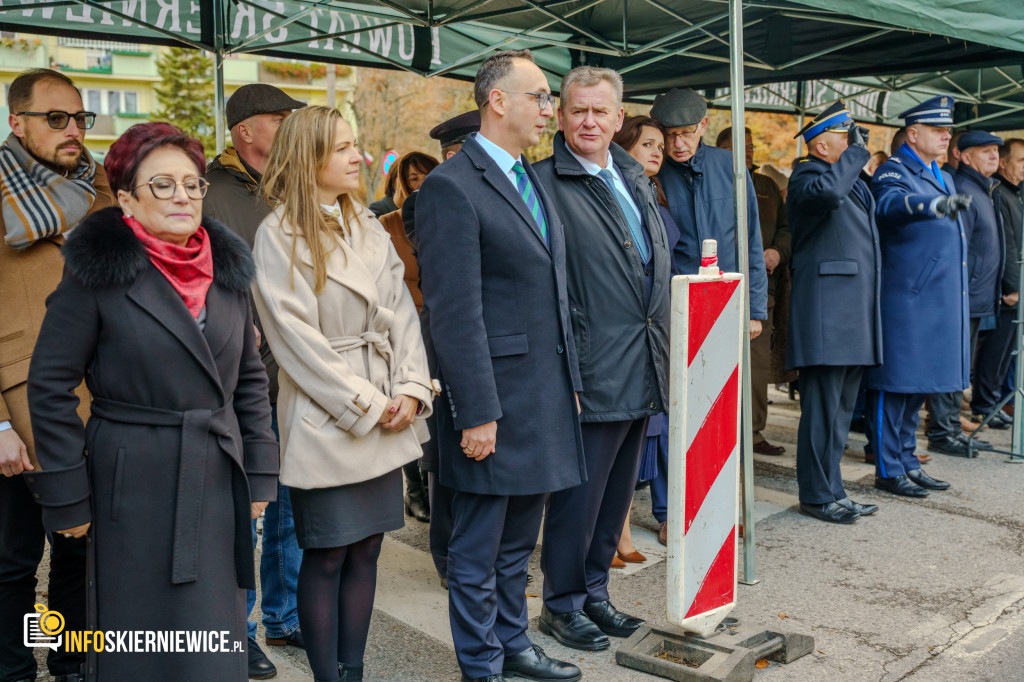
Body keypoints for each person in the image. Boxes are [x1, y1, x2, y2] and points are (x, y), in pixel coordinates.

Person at [26, 121, 279, 680]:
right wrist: (67, 496)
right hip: (128, 481)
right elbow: (49, 385)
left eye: (192, 183)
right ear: (125, 199)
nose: (183, 195)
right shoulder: (95, 274)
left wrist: (260, 473)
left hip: (214, 477)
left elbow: (250, 379)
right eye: (162, 185)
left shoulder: (229, 271)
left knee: (210, 641)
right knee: (135, 644)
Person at [416, 49, 585, 682]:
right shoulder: (450, 188)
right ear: (498, 101)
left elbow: (553, 290)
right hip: (494, 400)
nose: (549, 108)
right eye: (539, 96)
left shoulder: (530, 177)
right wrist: (478, 410)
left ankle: (514, 644)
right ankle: (481, 663)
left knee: (518, 542)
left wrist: (568, 385)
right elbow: (455, 314)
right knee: (478, 546)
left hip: (541, 391)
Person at [252, 105, 434, 682]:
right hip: (328, 414)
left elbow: (401, 310)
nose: (358, 156)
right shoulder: (276, 234)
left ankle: (352, 671)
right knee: (326, 554)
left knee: (367, 551)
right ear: (309, 159)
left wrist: (408, 388)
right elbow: (296, 342)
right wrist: (368, 403)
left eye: (354, 145)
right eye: (342, 148)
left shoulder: (364, 224)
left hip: (385, 402)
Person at [533, 66, 670, 651]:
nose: (589, 121)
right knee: (577, 500)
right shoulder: (543, 184)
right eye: (577, 110)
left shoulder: (632, 176)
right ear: (561, 118)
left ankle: (594, 595)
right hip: (590, 368)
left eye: (600, 111)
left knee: (616, 498)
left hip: (641, 362)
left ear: (620, 118)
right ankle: (561, 605)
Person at [0, 67, 114, 682]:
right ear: (16, 122)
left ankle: (71, 667)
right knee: (12, 561)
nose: (73, 131)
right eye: (56, 119)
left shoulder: (103, 196)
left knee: (82, 550)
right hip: (15, 410)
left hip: (98, 402)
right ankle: (14, 671)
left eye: (79, 118)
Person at [204, 81, 307, 680]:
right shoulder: (210, 192)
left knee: (293, 500)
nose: (291, 124)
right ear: (246, 130)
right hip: (238, 378)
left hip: (296, 373)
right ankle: (234, 630)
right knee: (246, 511)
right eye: (280, 117)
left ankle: (285, 614)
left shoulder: (294, 186)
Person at [649, 87, 767, 545]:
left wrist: (755, 308)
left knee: (720, 409)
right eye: (670, 135)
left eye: (686, 134)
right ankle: (668, 509)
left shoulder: (729, 167)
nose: (678, 145)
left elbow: (751, 241)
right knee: (674, 410)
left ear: (703, 126)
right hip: (672, 308)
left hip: (726, 304)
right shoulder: (653, 171)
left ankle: (717, 502)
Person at [786, 101, 882, 524]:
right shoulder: (807, 176)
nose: (855, 144)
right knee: (822, 411)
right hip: (827, 316)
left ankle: (834, 490)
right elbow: (828, 193)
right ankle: (816, 494)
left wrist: (855, 161)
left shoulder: (850, 181)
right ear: (821, 146)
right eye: (846, 138)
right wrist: (858, 157)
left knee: (841, 411)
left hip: (851, 314)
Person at [867, 96, 968, 497]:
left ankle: (907, 459)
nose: (946, 136)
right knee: (895, 387)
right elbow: (890, 205)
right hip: (907, 300)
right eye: (937, 130)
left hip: (935, 301)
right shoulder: (895, 170)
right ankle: (888, 468)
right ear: (913, 134)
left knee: (918, 387)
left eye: (947, 130)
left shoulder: (941, 173)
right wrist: (931, 203)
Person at [413, 110, 481, 589]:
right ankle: (446, 556)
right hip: (443, 339)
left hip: (474, 341)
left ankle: (468, 555)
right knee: (445, 459)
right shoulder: (432, 198)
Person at [611, 114, 680, 565]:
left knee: (656, 426)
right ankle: (614, 533)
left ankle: (649, 518)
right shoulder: (618, 193)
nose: (658, 151)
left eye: (661, 144)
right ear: (625, 148)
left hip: (661, 324)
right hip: (627, 325)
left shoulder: (656, 195)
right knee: (622, 434)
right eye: (648, 144)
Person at [718, 125, 792, 456]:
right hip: (718, 289)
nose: (748, 151)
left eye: (750, 146)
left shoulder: (766, 186)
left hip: (762, 292)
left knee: (756, 365)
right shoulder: (714, 181)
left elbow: (787, 231)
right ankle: (718, 432)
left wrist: (777, 250)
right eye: (739, 146)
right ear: (721, 149)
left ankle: (753, 432)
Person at [379, 151, 440, 524]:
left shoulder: (444, 218)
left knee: (431, 410)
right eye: (414, 178)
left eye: (428, 176)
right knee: (408, 404)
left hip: (435, 326)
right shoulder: (386, 223)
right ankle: (414, 488)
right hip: (403, 327)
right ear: (401, 183)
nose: (422, 184)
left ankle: (428, 484)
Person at [951, 133, 1007, 433]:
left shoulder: (983, 188)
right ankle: (944, 426)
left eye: (996, 151)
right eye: (984, 151)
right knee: (955, 362)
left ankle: (949, 422)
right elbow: (957, 249)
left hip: (977, 293)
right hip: (964, 294)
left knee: (963, 363)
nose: (993, 156)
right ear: (964, 156)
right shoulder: (964, 190)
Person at [975, 138, 1024, 424]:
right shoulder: (999, 193)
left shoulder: (1015, 194)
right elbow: (1006, 244)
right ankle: (985, 404)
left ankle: (992, 403)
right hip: (1007, 290)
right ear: (1004, 164)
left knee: (1007, 351)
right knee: (995, 351)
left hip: (1015, 287)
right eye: (1020, 161)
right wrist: (1013, 287)